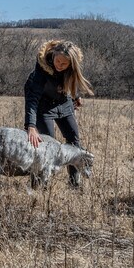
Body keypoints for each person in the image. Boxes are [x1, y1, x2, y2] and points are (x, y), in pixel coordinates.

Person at [24, 40, 94, 187]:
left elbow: (72, 81)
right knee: (48, 145)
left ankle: (74, 183)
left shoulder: (71, 68)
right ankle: (39, 184)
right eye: (58, 61)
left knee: (74, 141)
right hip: (43, 106)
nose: (59, 66)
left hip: (63, 102)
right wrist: (31, 125)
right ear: (53, 55)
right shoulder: (41, 70)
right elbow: (32, 98)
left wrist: (76, 97)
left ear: (70, 64)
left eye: (64, 64)